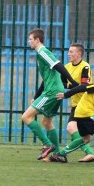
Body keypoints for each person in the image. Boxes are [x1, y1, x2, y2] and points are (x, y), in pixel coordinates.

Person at [21, 28, 78, 159]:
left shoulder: (43, 52)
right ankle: (58, 154)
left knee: (26, 117)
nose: (29, 42)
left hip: (51, 92)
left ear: (37, 40)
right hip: (55, 90)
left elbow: (59, 66)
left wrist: (73, 82)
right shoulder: (40, 54)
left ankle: (47, 145)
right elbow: (46, 79)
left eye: (30, 39)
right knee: (47, 122)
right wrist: (36, 96)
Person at [62, 43, 94, 160]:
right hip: (76, 104)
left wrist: (69, 88)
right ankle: (91, 153)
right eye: (68, 51)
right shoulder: (66, 67)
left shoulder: (85, 67)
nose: (68, 54)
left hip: (86, 104)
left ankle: (62, 153)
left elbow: (84, 86)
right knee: (84, 137)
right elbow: (61, 83)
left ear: (79, 53)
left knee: (72, 128)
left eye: (71, 52)